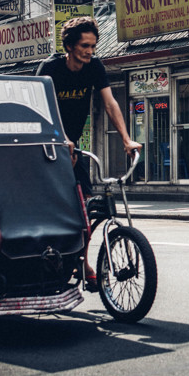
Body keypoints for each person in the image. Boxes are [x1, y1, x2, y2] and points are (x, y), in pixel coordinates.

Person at [37, 17, 142, 289]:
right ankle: (46, 256)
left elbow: (110, 103)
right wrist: (58, 139)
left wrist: (127, 140)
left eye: (93, 46)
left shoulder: (94, 67)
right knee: (52, 209)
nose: (90, 51)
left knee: (85, 209)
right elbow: (38, 109)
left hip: (74, 150)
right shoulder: (50, 69)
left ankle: (81, 262)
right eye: (84, 45)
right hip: (47, 148)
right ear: (70, 45)